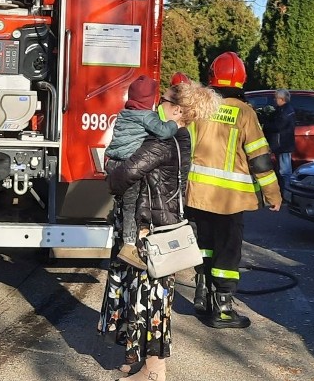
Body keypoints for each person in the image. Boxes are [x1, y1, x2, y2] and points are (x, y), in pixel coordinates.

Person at [99, 80, 218, 381]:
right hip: (152, 225)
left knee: (150, 298)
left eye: (163, 101)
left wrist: (109, 165)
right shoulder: (181, 137)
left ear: (177, 109)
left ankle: (154, 369)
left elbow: (121, 177)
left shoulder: (163, 143)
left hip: (149, 231)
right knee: (142, 295)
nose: (157, 105)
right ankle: (135, 357)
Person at [185, 52, 282, 329]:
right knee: (227, 251)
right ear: (241, 80)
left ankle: (202, 295)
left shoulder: (200, 109)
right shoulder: (245, 113)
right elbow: (259, 158)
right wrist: (272, 194)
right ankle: (223, 308)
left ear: (211, 78)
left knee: (204, 245)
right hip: (229, 199)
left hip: (197, 194)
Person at [105, 74, 179, 269]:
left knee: (122, 205)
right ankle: (129, 247)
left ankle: (119, 230)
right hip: (127, 166)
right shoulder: (147, 116)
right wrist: (175, 124)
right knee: (132, 206)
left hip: (112, 163)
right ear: (151, 100)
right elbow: (163, 132)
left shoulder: (124, 113)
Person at [262, 88, 295, 199]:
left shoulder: (286, 112)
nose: (274, 100)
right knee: (282, 171)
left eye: (276, 98)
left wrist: (265, 124)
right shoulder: (282, 110)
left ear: (281, 99)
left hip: (283, 145)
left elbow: (277, 126)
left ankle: (288, 196)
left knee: (285, 172)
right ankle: (285, 194)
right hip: (281, 144)